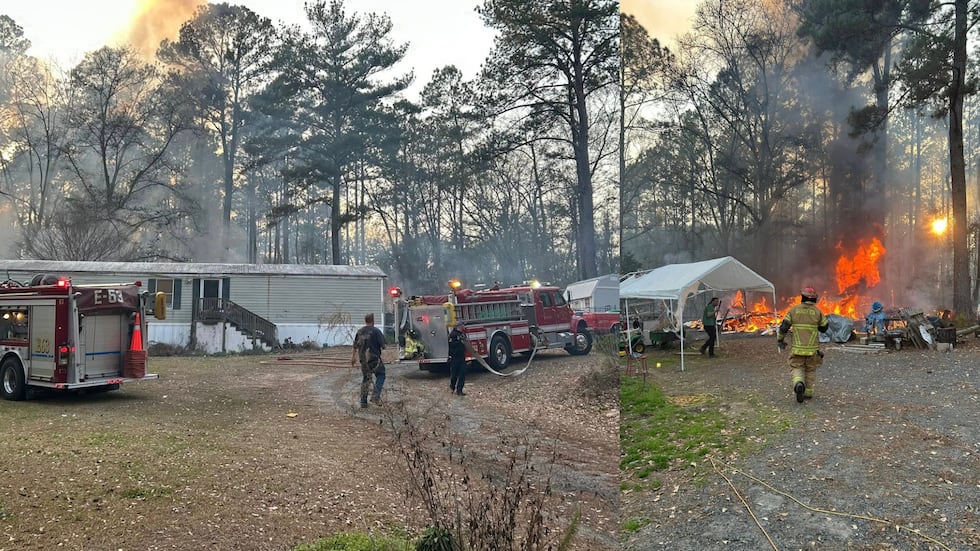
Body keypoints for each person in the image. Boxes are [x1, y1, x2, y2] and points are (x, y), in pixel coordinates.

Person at [777, 286, 830, 403]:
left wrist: (780, 340)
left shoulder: (794, 310)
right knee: (810, 370)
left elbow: (784, 327)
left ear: (802, 297)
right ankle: (808, 393)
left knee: (797, 367)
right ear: (814, 299)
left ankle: (799, 383)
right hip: (812, 350)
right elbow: (825, 327)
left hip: (797, 349)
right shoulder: (817, 312)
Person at [351, 313, 386, 408]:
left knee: (366, 379)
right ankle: (375, 396)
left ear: (365, 321)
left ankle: (363, 402)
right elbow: (383, 346)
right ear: (373, 321)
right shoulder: (376, 331)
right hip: (374, 359)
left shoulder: (360, 332)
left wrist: (353, 358)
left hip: (364, 361)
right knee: (381, 374)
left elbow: (355, 346)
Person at [448, 321, 468, 396]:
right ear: (459, 326)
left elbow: (466, 343)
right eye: (463, 325)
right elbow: (451, 345)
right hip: (455, 358)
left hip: (462, 357)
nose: (464, 326)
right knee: (454, 374)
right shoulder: (453, 335)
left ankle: (459, 390)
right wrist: (459, 342)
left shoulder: (462, 334)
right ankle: (452, 387)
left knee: (463, 373)